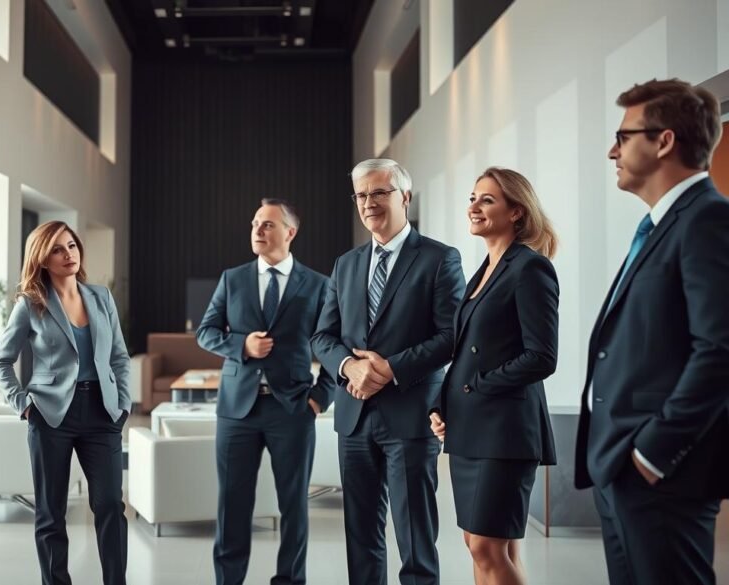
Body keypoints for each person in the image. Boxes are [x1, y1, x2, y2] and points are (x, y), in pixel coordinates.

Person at [574, 78, 729, 585]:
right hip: (621, 467)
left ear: (664, 141)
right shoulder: (661, 226)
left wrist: (652, 453)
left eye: (623, 137)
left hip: (661, 474)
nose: (612, 151)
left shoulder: (708, 219)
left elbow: (720, 350)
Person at [312, 159, 464, 585]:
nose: (369, 202)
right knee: (361, 539)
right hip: (354, 418)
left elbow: (452, 335)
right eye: (361, 195)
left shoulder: (439, 258)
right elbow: (322, 337)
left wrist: (391, 368)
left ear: (405, 197)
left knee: (415, 541)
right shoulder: (346, 264)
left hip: (411, 418)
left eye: (379, 192)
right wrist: (350, 366)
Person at [430, 167, 559, 585]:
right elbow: (467, 351)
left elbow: (541, 356)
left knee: (487, 547)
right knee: (480, 543)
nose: (474, 206)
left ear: (516, 212)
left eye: (487, 199)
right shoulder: (486, 269)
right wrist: (442, 403)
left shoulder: (530, 268)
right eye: (472, 198)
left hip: (505, 430)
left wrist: (476, 388)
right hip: (472, 427)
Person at [197, 198, 336, 585]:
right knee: (232, 505)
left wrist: (320, 398)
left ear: (290, 232)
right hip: (236, 410)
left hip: (293, 409)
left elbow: (333, 345)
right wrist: (241, 345)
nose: (258, 229)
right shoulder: (233, 279)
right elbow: (206, 332)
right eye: (255, 223)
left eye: (268, 224)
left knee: (294, 505)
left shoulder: (318, 284)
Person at [0, 220, 131, 585]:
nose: (67, 254)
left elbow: (119, 357)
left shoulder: (101, 297)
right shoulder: (31, 304)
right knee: (51, 512)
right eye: (57, 249)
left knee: (110, 504)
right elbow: (2, 361)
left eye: (71, 245)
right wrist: (23, 404)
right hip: (51, 415)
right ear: (42, 258)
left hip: (103, 413)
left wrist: (123, 403)